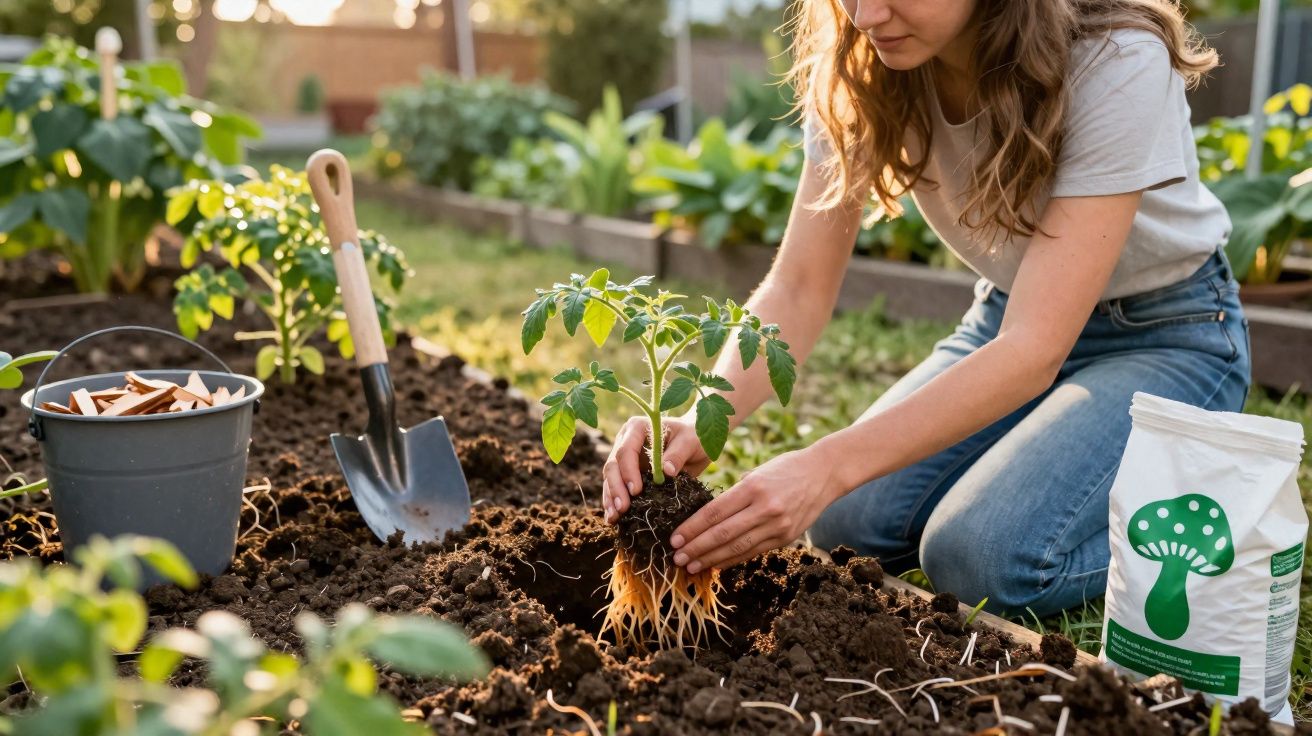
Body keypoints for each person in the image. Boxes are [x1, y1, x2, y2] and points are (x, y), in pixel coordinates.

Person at [600, 0, 1249, 617]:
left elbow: (1034, 350)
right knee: (846, 522)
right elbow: (798, 287)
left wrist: (825, 464)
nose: (867, 15)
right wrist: (701, 416)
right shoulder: (864, 65)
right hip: (1008, 318)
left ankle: (1211, 519)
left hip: (1168, 334)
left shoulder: (1114, 53)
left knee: (983, 559)